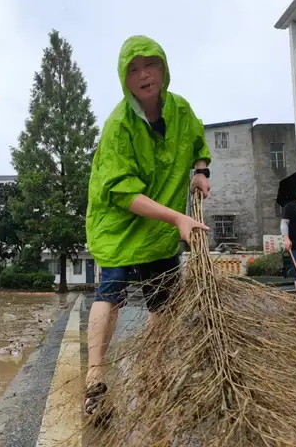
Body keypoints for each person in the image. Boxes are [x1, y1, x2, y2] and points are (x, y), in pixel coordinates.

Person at [84, 35, 211, 419]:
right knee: (111, 293)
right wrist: (177, 218)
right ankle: (95, 381)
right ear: (125, 79)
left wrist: (201, 172)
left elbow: (197, 143)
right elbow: (123, 192)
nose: (143, 75)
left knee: (163, 303)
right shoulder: (118, 125)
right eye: (133, 69)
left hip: (159, 227)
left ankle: (154, 370)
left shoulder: (181, 109)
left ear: (163, 69)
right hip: (120, 224)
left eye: (150, 65)